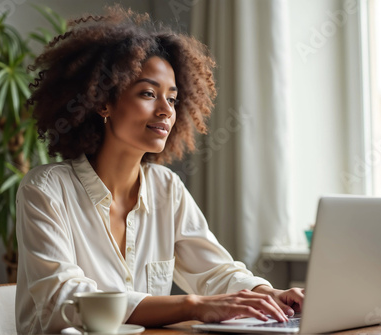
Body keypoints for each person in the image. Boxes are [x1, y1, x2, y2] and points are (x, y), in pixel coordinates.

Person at [16, 6, 304, 334]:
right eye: (148, 94)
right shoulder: (45, 190)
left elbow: (216, 272)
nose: (166, 110)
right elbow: (64, 300)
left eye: (172, 98)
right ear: (102, 102)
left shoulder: (167, 188)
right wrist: (192, 305)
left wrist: (271, 294)